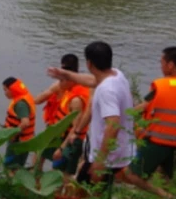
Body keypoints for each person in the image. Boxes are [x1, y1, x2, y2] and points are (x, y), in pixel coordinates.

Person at [48, 41, 136, 191]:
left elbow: (113, 124)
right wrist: (67, 74)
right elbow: (91, 80)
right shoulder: (116, 75)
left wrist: (100, 162)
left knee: (85, 196)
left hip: (107, 156)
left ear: (89, 64)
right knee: (91, 193)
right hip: (116, 152)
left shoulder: (106, 91)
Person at [120, 47, 176, 198]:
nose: (161, 66)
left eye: (162, 63)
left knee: (131, 175)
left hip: (156, 142)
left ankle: (163, 195)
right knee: (165, 179)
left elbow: (139, 109)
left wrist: (124, 115)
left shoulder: (162, 87)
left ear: (170, 65)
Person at [46, 55, 91, 178]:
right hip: (65, 137)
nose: (58, 84)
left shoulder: (75, 100)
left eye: (61, 81)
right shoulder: (68, 93)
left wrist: (61, 148)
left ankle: (66, 194)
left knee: (64, 175)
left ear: (71, 81)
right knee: (57, 170)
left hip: (72, 141)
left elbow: (75, 128)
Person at [2, 77, 36, 169]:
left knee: (11, 167)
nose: (4, 93)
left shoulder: (20, 104)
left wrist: (14, 134)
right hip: (23, 139)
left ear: (12, 89)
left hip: (18, 140)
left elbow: (25, 123)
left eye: (5, 90)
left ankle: (12, 182)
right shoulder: (23, 97)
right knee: (15, 166)